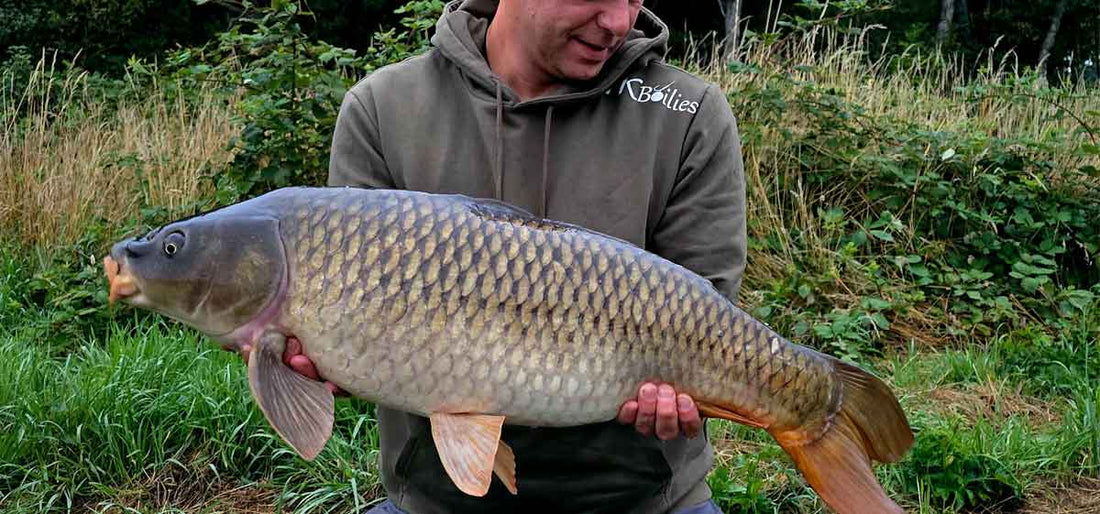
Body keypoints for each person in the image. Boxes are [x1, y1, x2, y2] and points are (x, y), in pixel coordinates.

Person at [276, 0, 747, 512]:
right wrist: (333, 358)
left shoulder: (688, 113)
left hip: (642, 499)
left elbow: (710, 319)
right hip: (439, 499)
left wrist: (689, 386)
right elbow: (345, 324)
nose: (618, 22)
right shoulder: (383, 109)